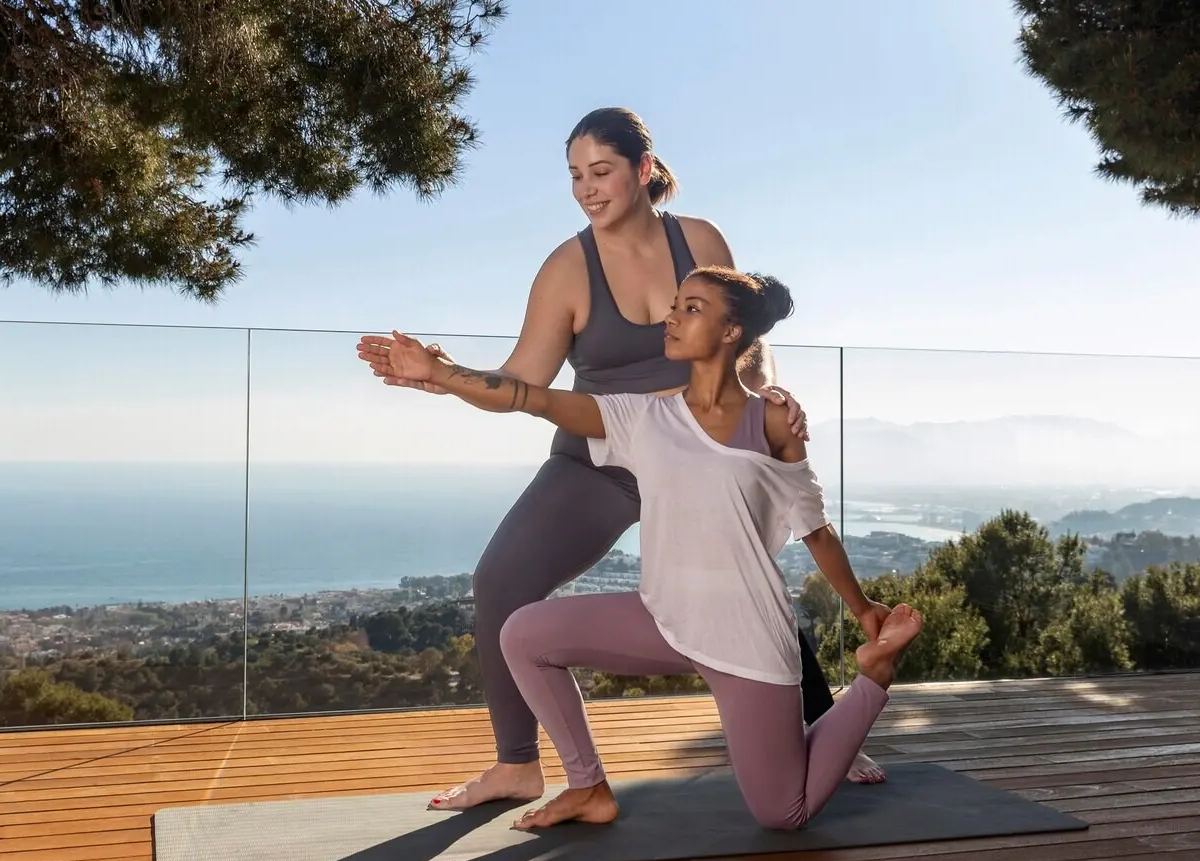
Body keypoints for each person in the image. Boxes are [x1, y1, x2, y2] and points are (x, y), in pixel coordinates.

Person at [356, 107, 884, 813]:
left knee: (742, 586)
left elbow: (744, 335)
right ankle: (518, 766)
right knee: (500, 581)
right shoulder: (567, 269)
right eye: (575, 176)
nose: (586, 189)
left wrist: (764, 403)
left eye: (600, 172)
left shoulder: (698, 240)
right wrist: (442, 374)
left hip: (697, 457)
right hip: (599, 461)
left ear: (643, 169)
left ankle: (814, 731)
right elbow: (524, 382)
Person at [379, 267, 924, 831]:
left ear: (732, 331)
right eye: (675, 305)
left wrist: (862, 609)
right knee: (522, 633)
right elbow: (531, 398)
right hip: (662, 618)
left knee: (783, 813)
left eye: (692, 308)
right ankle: (588, 787)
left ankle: (874, 677)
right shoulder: (643, 418)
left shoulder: (774, 423)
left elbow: (816, 529)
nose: (671, 317)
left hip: (745, 635)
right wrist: (441, 373)